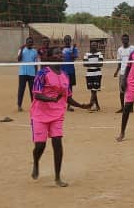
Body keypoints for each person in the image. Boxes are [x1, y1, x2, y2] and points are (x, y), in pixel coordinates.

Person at [30, 47, 91, 187]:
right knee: (40, 146)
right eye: (56, 53)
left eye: (61, 53)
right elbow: (36, 94)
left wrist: (82, 106)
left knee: (57, 143)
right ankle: (36, 162)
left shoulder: (65, 75)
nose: (60, 55)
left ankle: (57, 177)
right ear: (50, 57)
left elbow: (67, 97)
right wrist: (51, 100)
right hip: (40, 114)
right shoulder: (42, 73)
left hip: (57, 114)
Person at [115, 34, 134, 113]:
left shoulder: (133, 49)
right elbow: (119, 62)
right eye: (123, 39)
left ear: (128, 40)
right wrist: (117, 71)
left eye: (126, 39)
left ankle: (131, 108)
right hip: (122, 73)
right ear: (122, 40)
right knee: (122, 90)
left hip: (131, 73)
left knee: (131, 90)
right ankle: (122, 107)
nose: (125, 41)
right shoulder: (119, 50)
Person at [17, 38, 39, 112]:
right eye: (28, 42)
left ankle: (34, 105)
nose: (30, 43)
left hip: (31, 74)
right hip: (22, 73)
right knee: (21, 89)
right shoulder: (21, 50)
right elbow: (19, 59)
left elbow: (36, 64)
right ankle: (19, 105)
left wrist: (36, 73)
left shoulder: (34, 52)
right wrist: (21, 50)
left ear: (32, 43)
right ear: (26, 43)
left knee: (32, 90)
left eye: (31, 42)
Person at [83, 42, 104, 112]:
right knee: (92, 90)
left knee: (94, 90)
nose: (93, 47)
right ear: (90, 46)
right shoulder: (86, 54)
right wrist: (95, 64)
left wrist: (90, 64)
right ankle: (97, 106)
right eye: (92, 45)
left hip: (97, 73)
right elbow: (85, 64)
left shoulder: (100, 54)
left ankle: (90, 105)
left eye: (95, 45)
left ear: (97, 46)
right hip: (89, 74)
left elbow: (100, 64)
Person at [60, 35, 79, 112]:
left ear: (70, 40)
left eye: (68, 39)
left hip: (71, 71)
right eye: (66, 39)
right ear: (64, 40)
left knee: (70, 88)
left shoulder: (74, 49)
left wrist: (73, 49)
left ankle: (69, 105)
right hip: (62, 71)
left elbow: (74, 58)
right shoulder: (61, 49)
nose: (67, 41)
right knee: (61, 88)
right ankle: (61, 105)